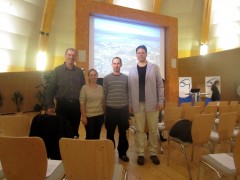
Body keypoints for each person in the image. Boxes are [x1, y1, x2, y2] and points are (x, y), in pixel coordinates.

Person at [128, 45, 164, 165]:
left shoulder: (154, 68)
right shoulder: (132, 69)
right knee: (139, 130)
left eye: (143, 52)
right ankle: (140, 153)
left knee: (153, 129)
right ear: (136, 54)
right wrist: (130, 103)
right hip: (137, 104)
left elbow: (160, 84)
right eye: (139, 53)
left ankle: (153, 152)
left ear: (146, 54)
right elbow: (129, 88)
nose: (141, 54)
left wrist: (160, 100)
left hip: (152, 103)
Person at [46, 48, 85, 138]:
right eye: (69, 55)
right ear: (65, 56)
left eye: (73, 55)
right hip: (62, 106)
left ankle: (73, 149)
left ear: (76, 57)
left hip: (76, 106)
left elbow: (83, 89)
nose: (71, 57)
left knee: (75, 131)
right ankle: (63, 150)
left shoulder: (79, 72)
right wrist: (49, 105)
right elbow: (50, 89)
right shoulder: (57, 71)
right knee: (62, 130)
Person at [103, 57, 130, 162]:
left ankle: (122, 153)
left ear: (121, 65)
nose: (116, 65)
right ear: (112, 65)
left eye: (118, 63)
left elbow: (128, 93)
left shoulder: (126, 78)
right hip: (111, 110)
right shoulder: (106, 78)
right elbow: (104, 95)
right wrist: (105, 111)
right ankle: (109, 152)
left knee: (123, 133)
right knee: (110, 133)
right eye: (114, 63)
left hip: (123, 110)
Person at [80, 69, 104, 139]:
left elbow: (102, 101)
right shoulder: (84, 88)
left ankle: (95, 150)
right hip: (89, 117)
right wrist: (83, 117)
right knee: (90, 136)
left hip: (100, 116)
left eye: (95, 75)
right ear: (88, 77)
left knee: (97, 137)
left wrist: (104, 114)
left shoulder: (101, 88)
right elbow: (82, 104)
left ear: (97, 76)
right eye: (91, 75)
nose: (93, 77)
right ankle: (88, 150)